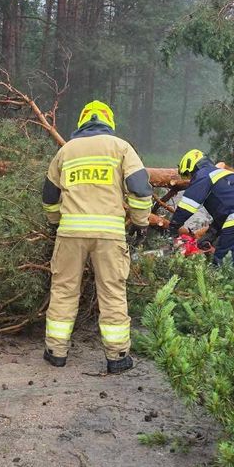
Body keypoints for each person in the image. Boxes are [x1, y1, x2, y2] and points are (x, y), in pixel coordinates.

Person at [41, 100, 153, 373]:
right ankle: (117, 356)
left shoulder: (66, 151)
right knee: (112, 292)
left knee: (64, 290)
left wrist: (55, 223)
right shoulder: (121, 148)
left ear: (81, 122)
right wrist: (140, 223)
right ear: (109, 122)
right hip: (109, 235)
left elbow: (49, 196)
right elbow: (139, 189)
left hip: (70, 234)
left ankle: (56, 351)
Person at [169, 149, 234, 272]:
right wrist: (210, 235)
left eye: (188, 175)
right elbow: (226, 211)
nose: (190, 179)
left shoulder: (203, 175)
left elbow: (187, 206)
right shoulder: (224, 174)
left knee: (223, 263)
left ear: (191, 167)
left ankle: (217, 281)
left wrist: (173, 227)